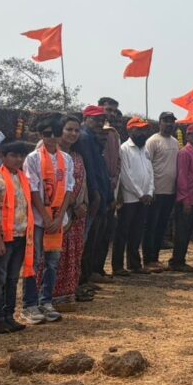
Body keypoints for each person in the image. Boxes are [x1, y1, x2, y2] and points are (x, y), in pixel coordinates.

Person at [21, 114, 75, 325]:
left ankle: (47, 301)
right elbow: (33, 189)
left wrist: (59, 216)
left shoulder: (66, 159)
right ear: (40, 135)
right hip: (39, 218)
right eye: (47, 134)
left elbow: (69, 188)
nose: (51, 138)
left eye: (55, 134)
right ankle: (29, 304)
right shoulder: (33, 158)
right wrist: (46, 216)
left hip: (57, 219)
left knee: (52, 263)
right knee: (33, 261)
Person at [0, 141, 35, 335]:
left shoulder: (24, 178)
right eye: (14, 155)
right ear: (2, 156)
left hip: (22, 235)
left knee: (13, 278)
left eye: (22, 156)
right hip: (4, 237)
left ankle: (9, 315)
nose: (18, 159)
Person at [55, 116, 90, 305]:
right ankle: (50, 295)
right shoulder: (49, 153)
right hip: (56, 214)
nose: (73, 134)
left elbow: (82, 183)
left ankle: (68, 292)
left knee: (73, 253)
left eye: (77, 130)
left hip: (77, 214)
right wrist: (68, 206)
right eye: (69, 129)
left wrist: (82, 204)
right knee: (55, 255)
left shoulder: (77, 156)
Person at [113, 118, 154, 277]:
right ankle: (118, 266)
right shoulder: (124, 149)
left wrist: (149, 191)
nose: (142, 133)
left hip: (144, 198)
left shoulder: (145, 150)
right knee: (122, 232)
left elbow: (150, 172)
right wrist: (139, 193)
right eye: (139, 130)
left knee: (137, 232)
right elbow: (125, 175)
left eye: (144, 130)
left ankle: (134, 264)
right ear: (130, 131)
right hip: (130, 198)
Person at [77, 105, 113, 285]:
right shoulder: (84, 138)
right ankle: (82, 278)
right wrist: (95, 192)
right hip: (93, 194)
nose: (100, 123)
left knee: (94, 238)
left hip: (99, 192)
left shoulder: (93, 139)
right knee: (88, 239)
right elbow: (89, 169)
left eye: (102, 120)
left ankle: (87, 275)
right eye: (96, 120)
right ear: (86, 119)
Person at [141, 112, 179, 273]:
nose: (169, 124)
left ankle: (155, 258)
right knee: (151, 227)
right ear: (160, 122)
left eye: (171, 121)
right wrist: (150, 189)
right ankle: (148, 259)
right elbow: (146, 166)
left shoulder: (175, 142)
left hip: (169, 192)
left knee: (161, 227)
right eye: (166, 121)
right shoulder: (153, 141)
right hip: (155, 191)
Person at [170, 125, 193, 272]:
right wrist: (185, 199)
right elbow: (182, 177)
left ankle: (180, 259)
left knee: (188, 231)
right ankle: (177, 261)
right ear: (188, 136)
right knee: (182, 232)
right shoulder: (185, 153)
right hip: (188, 199)